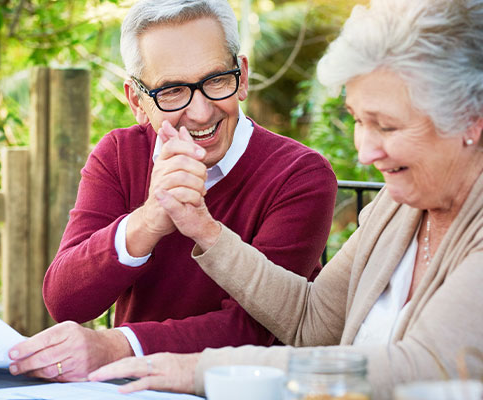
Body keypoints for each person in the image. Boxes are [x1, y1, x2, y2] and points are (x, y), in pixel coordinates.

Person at [86, 0, 483, 398]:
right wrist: (203, 229)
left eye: (386, 126)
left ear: (471, 120)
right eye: (358, 121)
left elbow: (420, 366)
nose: (365, 152)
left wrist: (198, 369)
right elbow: (312, 320)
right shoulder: (400, 207)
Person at [7, 0, 337, 380]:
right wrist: (148, 220)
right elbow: (66, 300)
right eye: (173, 91)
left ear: (242, 77)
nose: (200, 112)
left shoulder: (299, 174)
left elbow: (259, 329)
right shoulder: (119, 154)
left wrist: (117, 345)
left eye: (216, 81)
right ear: (137, 100)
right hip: (139, 388)